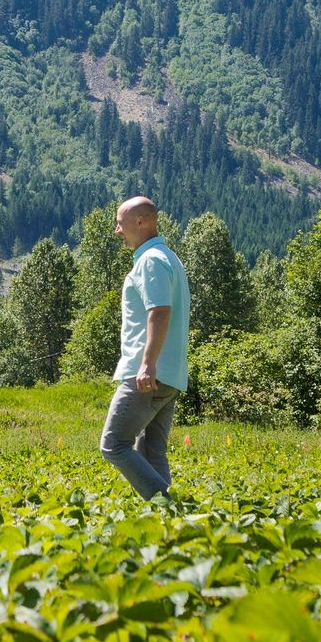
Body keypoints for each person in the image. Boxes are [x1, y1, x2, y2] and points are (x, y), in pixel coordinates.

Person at [99, 197, 191, 500]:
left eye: (120, 223)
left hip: (148, 374)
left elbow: (159, 311)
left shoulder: (151, 260)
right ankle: (169, 527)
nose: (116, 230)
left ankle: (171, 508)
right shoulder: (168, 258)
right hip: (169, 374)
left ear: (141, 222)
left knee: (114, 445)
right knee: (151, 452)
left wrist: (147, 363)